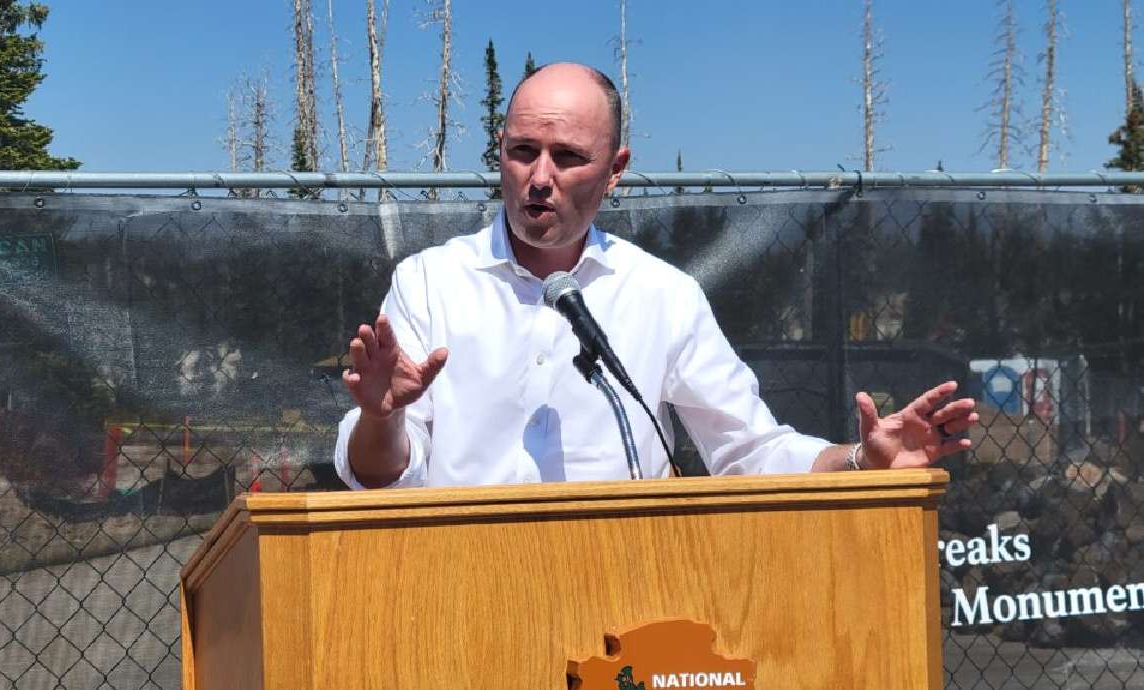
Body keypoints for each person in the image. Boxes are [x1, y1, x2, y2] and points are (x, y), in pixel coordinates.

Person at [333, 62, 977, 489]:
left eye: (568, 157)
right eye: (522, 151)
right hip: (454, 595)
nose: (538, 177)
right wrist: (382, 419)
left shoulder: (660, 295)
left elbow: (746, 450)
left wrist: (863, 461)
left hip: (622, 598)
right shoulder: (429, 282)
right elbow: (380, 476)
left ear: (615, 169)